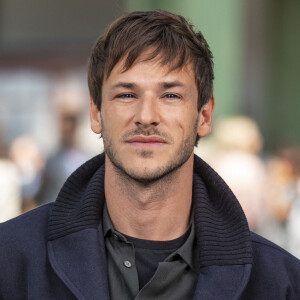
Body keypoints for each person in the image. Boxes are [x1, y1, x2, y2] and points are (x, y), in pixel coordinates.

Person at [0, 9, 299, 299]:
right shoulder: (11, 260)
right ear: (96, 113)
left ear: (204, 116)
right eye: (127, 95)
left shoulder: (281, 283)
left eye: (170, 95)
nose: (146, 116)